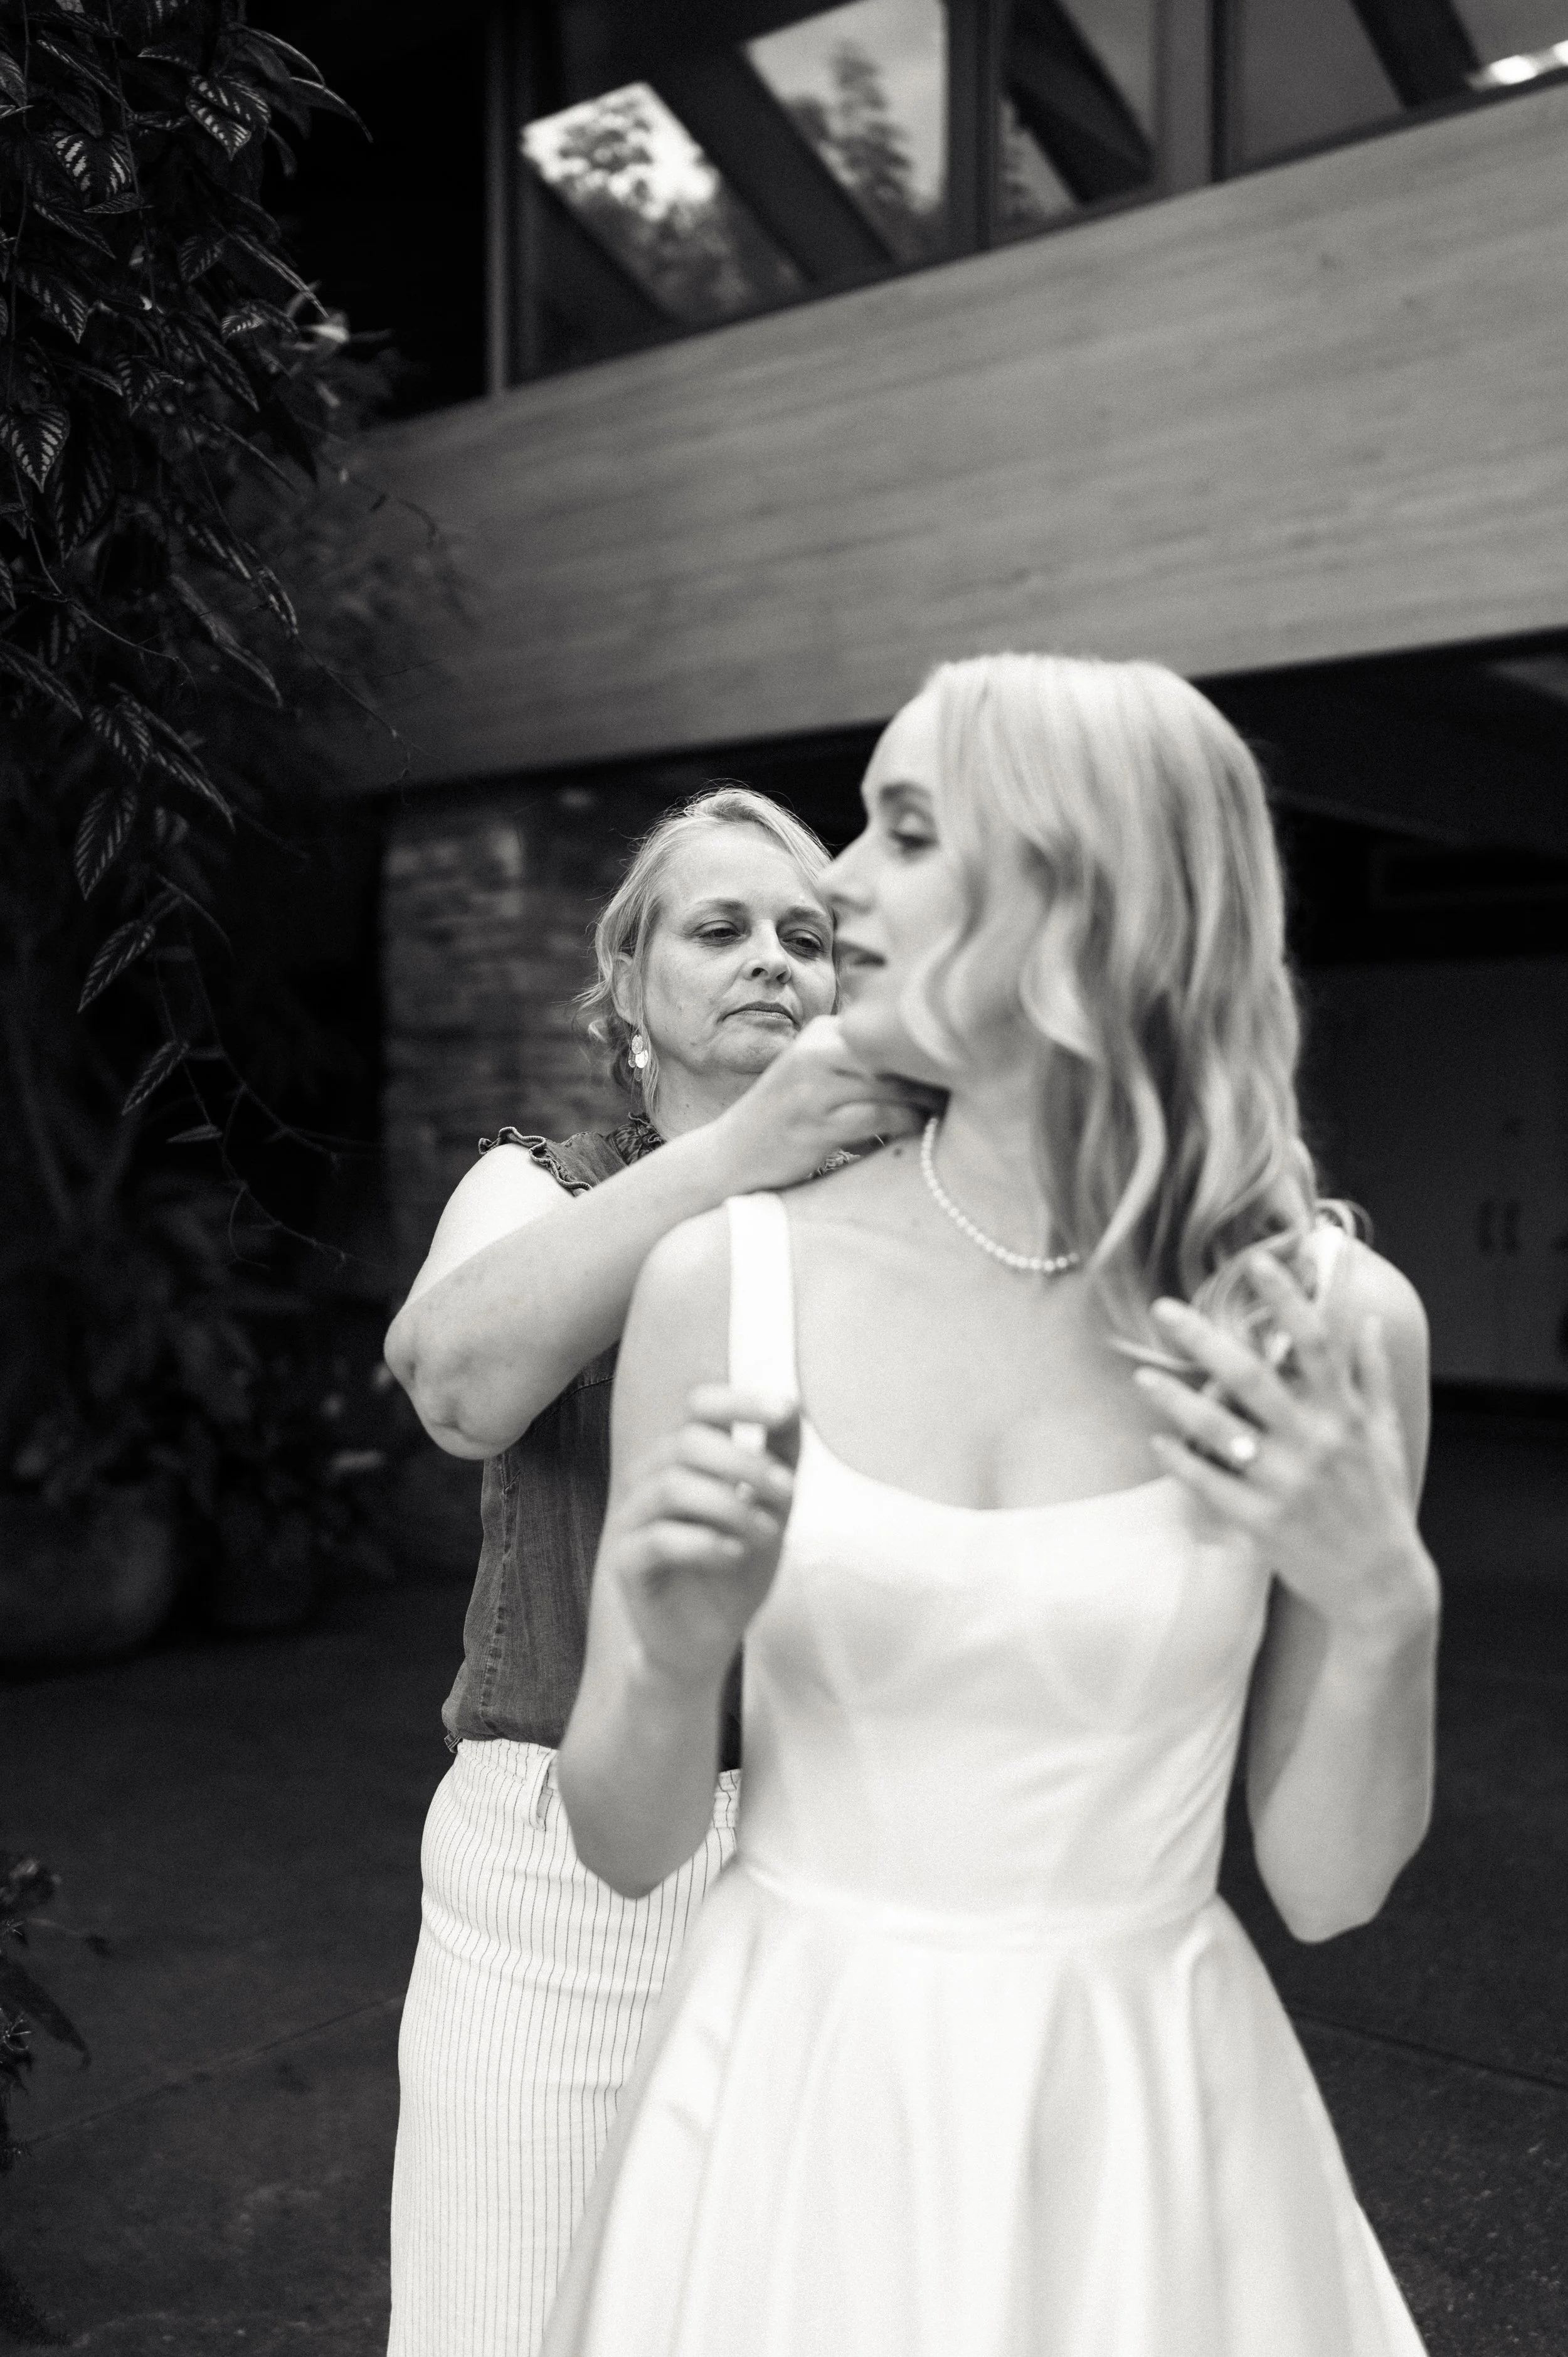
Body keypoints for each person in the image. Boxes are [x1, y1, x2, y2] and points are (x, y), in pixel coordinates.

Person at [543, 656, 1440, 2356]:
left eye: (900, 831)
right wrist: (662, 1662)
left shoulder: (1329, 1327)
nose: (834, 884)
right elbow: (626, 1838)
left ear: (1083, 892)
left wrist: (1387, 1606)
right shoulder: (723, 1279)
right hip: (793, 2106)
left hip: (1144, 2139)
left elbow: (1323, 1886)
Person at [381, 785, 924, 2357]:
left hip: (840, 1859)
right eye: (719, 927)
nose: (771, 958)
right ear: (627, 988)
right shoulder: (531, 1184)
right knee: (511, 2317)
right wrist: (741, 1151)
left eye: (805, 936)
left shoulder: (894, 1205)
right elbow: (458, 1387)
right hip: (555, 1879)